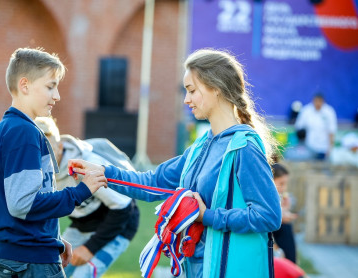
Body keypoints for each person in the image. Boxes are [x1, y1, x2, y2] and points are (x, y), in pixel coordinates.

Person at [69, 49, 282, 278]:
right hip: (197, 269)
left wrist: (206, 216)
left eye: (191, 90)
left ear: (216, 89)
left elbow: (268, 215)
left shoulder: (245, 148)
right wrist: (102, 173)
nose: (186, 99)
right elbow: (153, 182)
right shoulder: (202, 146)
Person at [0, 47, 107, 278]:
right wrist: (81, 191)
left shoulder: (2, 130)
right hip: (32, 263)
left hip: (11, 259)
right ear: (25, 85)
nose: (57, 95)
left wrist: (53, 239)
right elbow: (22, 203)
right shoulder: (24, 133)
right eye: (50, 86)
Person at [34, 116, 140, 278]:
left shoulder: (86, 163)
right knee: (47, 270)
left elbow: (123, 207)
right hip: (83, 223)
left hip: (119, 224)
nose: (43, 160)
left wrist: (90, 248)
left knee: (83, 275)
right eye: (37, 153)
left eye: (49, 152)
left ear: (60, 147)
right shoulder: (33, 170)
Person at [295, 93, 337, 160]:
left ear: (323, 101)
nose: (318, 103)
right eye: (316, 101)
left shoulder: (329, 112)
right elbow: (299, 128)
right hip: (309, 147)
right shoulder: (306, 111)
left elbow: (331, 131)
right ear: (313, 101)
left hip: (323, 148)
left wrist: (330, 149)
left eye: (320, 101)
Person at [272, 163, 297, 264]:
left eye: (285, 184)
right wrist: (282, 215)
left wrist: (285, 208)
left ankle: (291, 265)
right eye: (281, 183)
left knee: (286, 226)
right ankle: (291, 265)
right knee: (285, 227)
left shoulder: (279, 197)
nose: (284, 188)